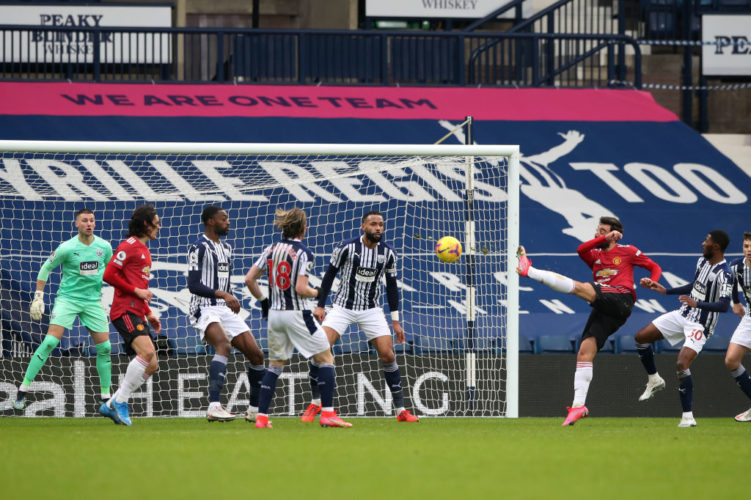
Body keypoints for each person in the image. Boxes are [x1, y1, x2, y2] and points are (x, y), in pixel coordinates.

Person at [516, 216, 661, 426]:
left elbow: (654, 266)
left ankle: (529, 270)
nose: (596, 234)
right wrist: (604, 237)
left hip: (622, 298)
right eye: (597, 230)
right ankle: (578, 406)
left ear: (614, 235)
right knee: (585, 351)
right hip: (605, 306)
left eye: (602, 231)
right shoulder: (594, 256)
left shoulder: (628, 251)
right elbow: (581, 249)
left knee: (584, 287)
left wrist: (652, 280)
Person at [309, 210, 419, 423]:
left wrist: (395, 322)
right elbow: (329, 275)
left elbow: (392, 287)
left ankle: (401, 411)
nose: (378, 228)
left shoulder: (388, 253)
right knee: (320, 347)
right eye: (374, 224)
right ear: (363, 226)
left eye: (381, 225)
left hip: (371, 309)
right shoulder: (347, 248)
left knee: (388, 355)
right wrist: (320, 305)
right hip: (342, 307)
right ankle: (316, 402)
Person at [245, 208, 351, 428]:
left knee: (275, 365)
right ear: (303, 228)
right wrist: (318, 292)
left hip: (274, 314)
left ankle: (262, 418)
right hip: (297, 313)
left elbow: (249, 279)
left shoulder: (271, 249)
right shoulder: (303, 253)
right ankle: (328, 414)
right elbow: (301, 288)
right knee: (326, 358)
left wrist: (263, 300)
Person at [13, 209, 113, 411]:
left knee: (105, 348)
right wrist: (38, 296)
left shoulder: (104, 246)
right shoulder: (66, 248)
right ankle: (22, 390)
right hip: (68, 299)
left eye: (92, 220)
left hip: (92, 301)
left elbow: (112, 272)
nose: (89, 223)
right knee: (50, 341)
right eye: (84, 220)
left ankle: (106, 399)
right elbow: (45, 268)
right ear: (76, 224)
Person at [635, 230, 732, 428]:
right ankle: (654, 379)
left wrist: (698, 305)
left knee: (682, 364)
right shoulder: (702, 262)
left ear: (715, 247)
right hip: (684, 314)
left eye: (706, 241)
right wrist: (666, 290)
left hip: (701, 324)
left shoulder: (725, 274)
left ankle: (687, 417)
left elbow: (723, 305)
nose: (702, 243)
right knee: (641, 337)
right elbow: (695, 286)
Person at [188, 205, 266, 423]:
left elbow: (224, 282)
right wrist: (223, 294)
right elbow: (193, 285)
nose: (228, 222)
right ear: (211, 221)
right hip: (204, 306)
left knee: (257, 355)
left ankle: (253, 410)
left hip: (223, 307)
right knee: (223, 345)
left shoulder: (227, 248)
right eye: (224, 219)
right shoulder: (198, 247)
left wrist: (230, 298)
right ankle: (214, 406)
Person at [98, 205, 162, 426]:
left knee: (152, 364)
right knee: (147, 352)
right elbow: (108, 274)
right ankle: (122, 401)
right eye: (156, 222)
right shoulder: (130, 246)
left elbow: (139, 285)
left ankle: (110, 404)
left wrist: (149, 313)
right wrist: (136, 293)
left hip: (137, 311)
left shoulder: (145, 250)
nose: (159, 226)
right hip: (123, 310)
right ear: (146, 224)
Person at [725, 232, 751, 422]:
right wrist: (735, 302)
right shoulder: (737, 266)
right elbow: (733, 283)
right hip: (750, 316)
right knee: (732, 360)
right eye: (746, 246)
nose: (749, 250)